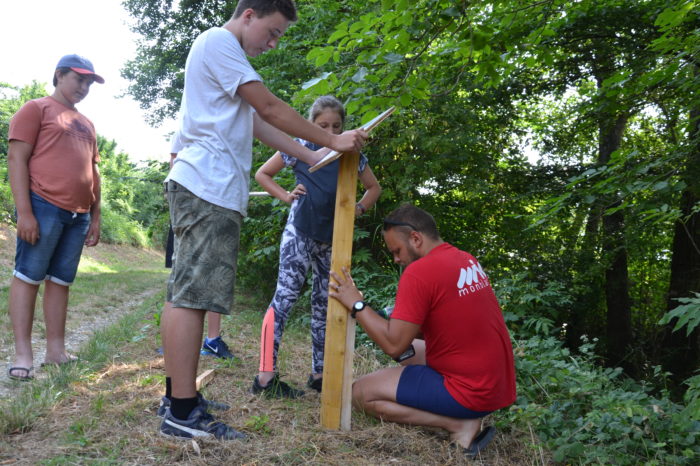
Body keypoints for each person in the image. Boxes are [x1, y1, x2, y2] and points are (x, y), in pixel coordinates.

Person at [159, 0, 367, 440]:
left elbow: (260, 124)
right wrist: (333, 138)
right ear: (249, 13)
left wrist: (316, 154)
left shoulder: (224, 59)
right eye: (272, 32)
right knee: (191, 298)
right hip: (205, 185)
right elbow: (271, 109)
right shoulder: (219, 41)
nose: (273, 44)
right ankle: (181, 411)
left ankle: (181, 398)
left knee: (188, 293)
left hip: (209, 187)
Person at [329, 204, 516, 459]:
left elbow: (393, 343)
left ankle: (458, 424)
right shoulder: (464, 258)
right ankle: (462, 412)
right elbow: (420, 330)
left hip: (470, 391)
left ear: (415, 238)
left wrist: (357, 305)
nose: (396, 259)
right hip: (496, 384)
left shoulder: (419, 273)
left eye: (397, 250)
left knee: (359, 393)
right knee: (407, 350)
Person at [252, 95, 381, 398]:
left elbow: (373, 188)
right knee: (284, 299)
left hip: (332, 240)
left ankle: (319, 373)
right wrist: (285, 196)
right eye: (323, 125)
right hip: (299, 234)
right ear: (311, 125)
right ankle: (264, 377)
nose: (332, 130)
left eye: (337, 126)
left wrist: (357, 210)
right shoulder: (300, 146)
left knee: (325, 304)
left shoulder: (353, 154)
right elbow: (262, 174)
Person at [6, 54, 103, 381]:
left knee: (61, 282)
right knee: (28, 276)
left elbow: (93, 170)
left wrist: (96, 214)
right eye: (79, 79)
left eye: (89, 82)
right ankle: (23, 354)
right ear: (59, 75)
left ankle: (56, 351)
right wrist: (25, 213)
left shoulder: (87, 123)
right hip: (43, 205)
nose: (85, 87)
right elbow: (17, 160)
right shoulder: (36, 109)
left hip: (79, 215)